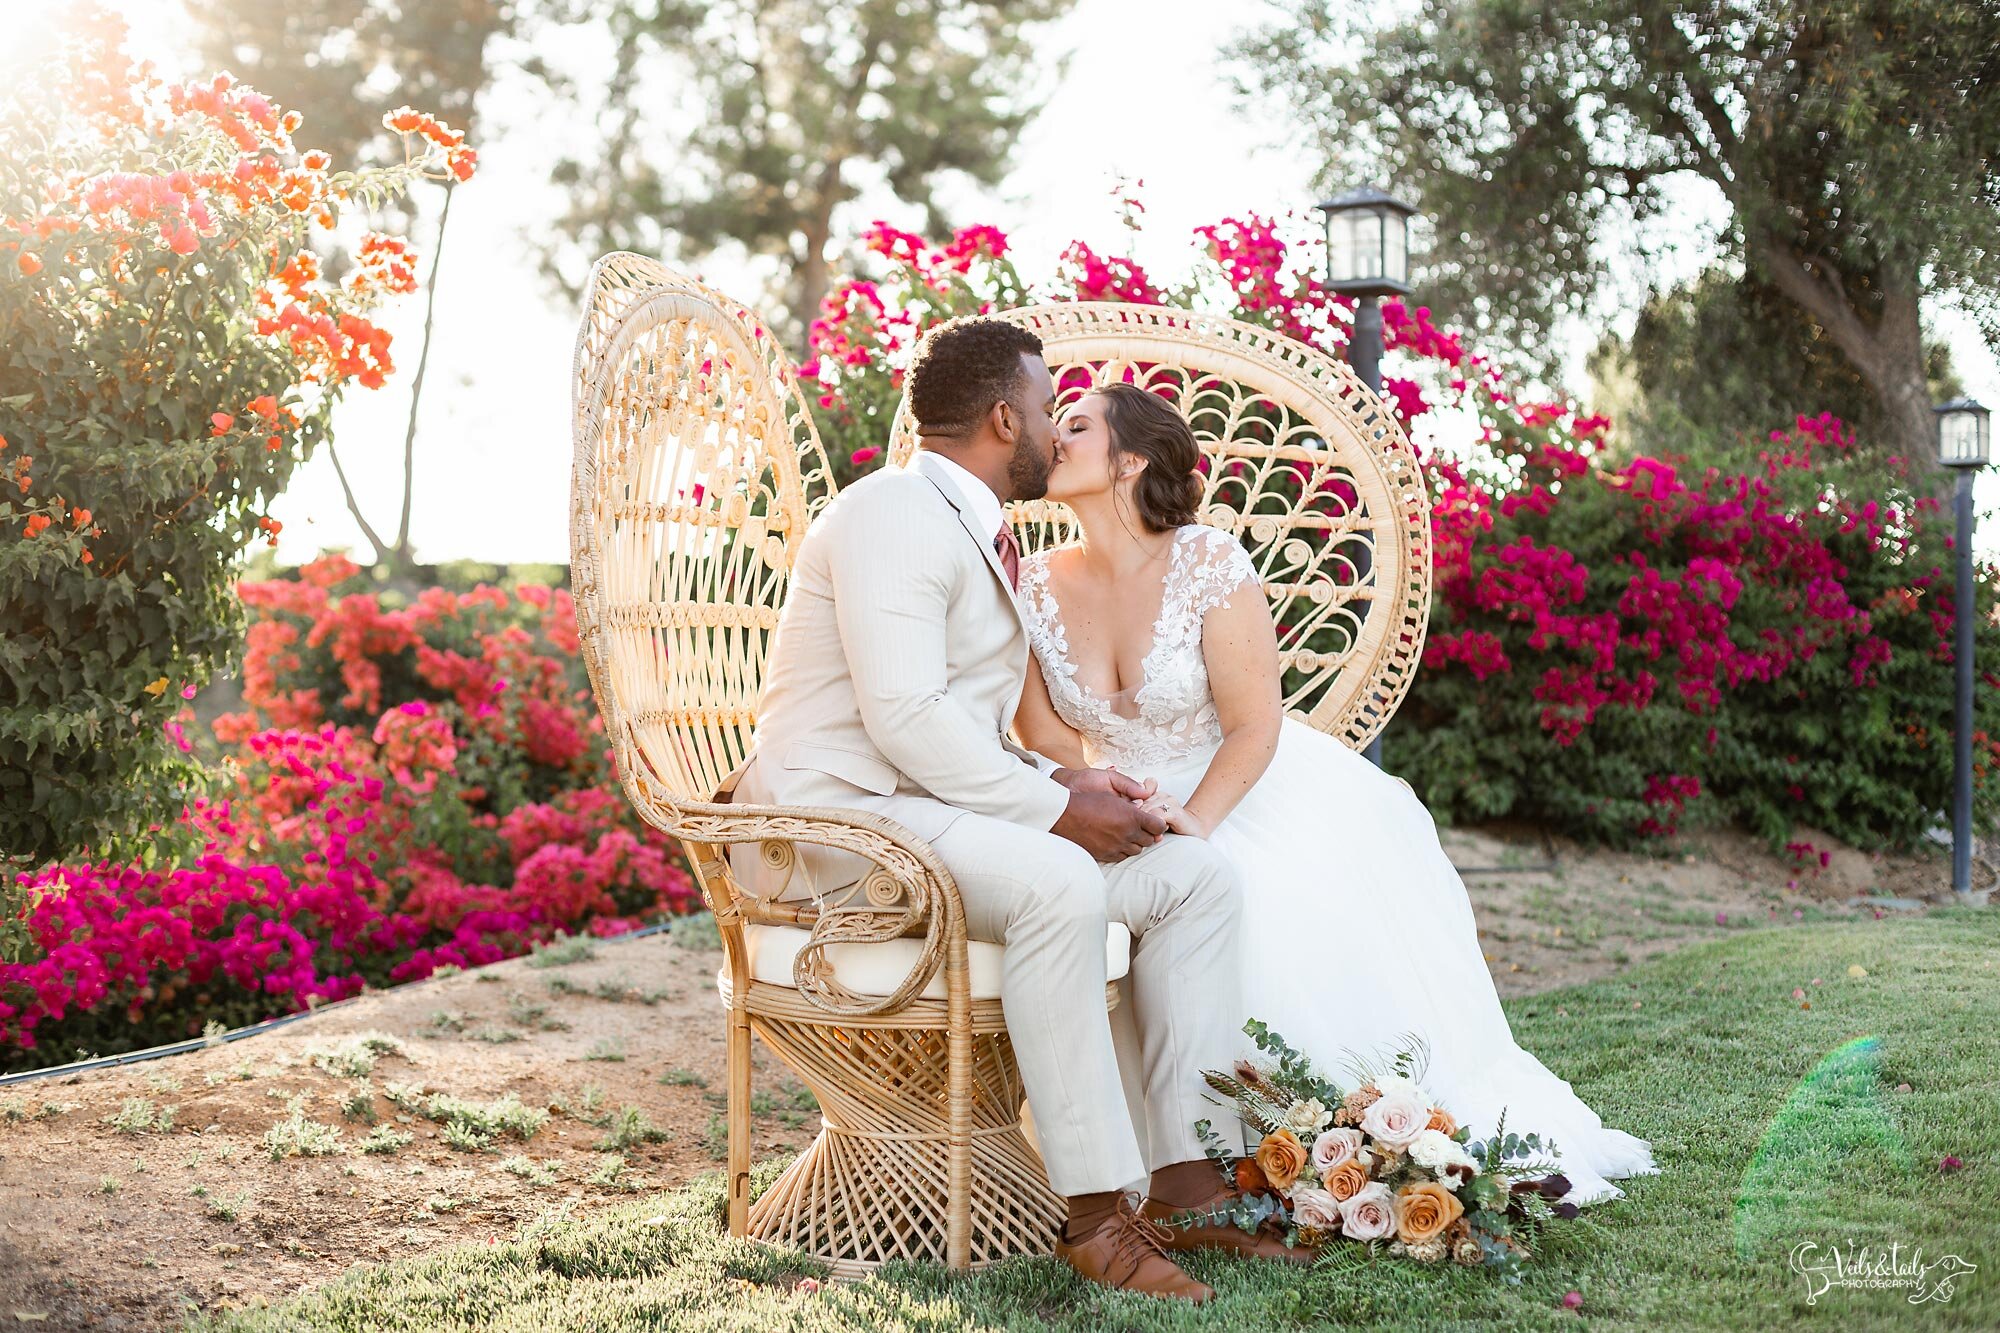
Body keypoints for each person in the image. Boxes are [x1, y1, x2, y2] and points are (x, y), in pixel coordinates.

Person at [728, 319, 1301, 1303]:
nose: (1052, 426)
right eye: (1045, 411)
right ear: (1004, 416)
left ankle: (1185, 1179)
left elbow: (968, 725)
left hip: (929, 812)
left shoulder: (974, 528)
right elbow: (903, 714)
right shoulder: (892, 514)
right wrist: (1053, 812)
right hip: (836, 825)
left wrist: (1081, 786)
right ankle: (1090, 1215)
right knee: (1052, 879)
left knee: (1194, 879)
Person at [1010, 382, 1658, 1208]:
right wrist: (1103, 796)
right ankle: (1150, 1160)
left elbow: (1253, 723)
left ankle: (1312, 1149)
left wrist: (1196, 822)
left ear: (1130, 458)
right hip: (1114, 799)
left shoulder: (1207, 561)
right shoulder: (1030, 584)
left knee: (1251, 902)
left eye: (1077, 426)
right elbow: (1053, 740)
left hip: (1234, 790)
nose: (1054, 438)